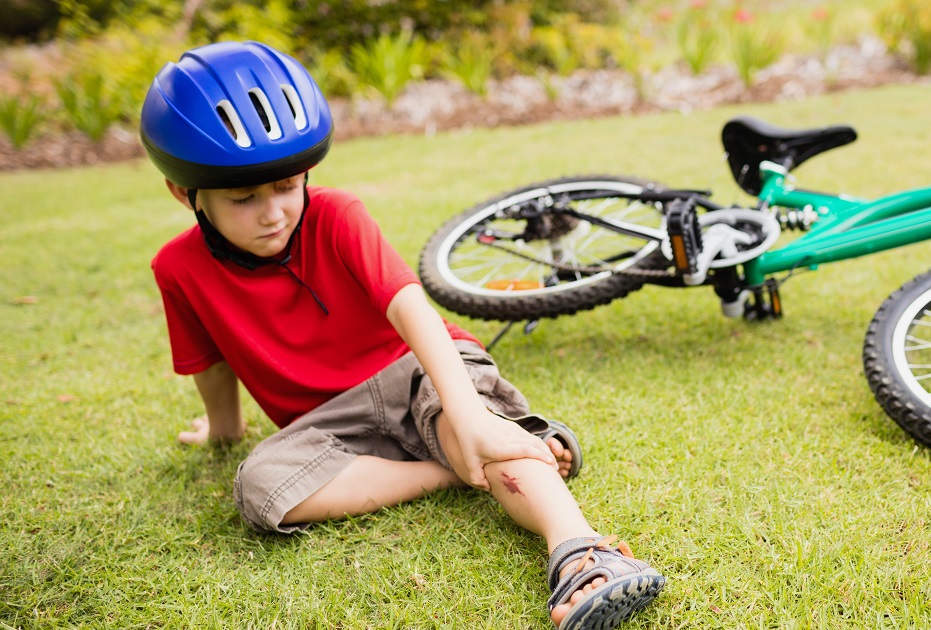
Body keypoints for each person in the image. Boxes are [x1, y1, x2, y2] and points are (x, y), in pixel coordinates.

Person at [141, 41, 665, 629]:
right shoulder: (177, 268)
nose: (273, 213)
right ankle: (457, 465)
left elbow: (410, 308)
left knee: (474, 430)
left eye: (287, 187)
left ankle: (583, 554)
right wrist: (223, 429)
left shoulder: (336, 214)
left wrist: (469, 417)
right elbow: (210, 362)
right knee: (259, 488)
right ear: (184, 192)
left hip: (417, 371)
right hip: (328, 422)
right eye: (244, 198)